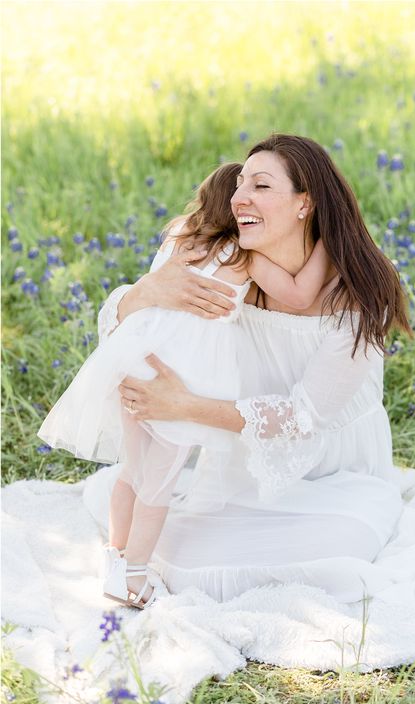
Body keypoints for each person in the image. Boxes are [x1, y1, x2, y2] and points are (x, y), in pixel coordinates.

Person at [90, 134, 415, 608]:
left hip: (332, 468)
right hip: (240, 459)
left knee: (337, 546)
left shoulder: (352, 290)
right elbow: (123, 327)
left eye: (261, 185)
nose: (240, 196)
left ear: (303, 203)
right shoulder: (233, 267)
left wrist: (183, 405)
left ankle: (131, 560)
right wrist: (145, 291)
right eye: (239, 183)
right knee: (177, 541)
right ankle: (126, 562)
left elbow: (304, 417)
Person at [37, 159, 332, 609]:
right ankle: (133, 575)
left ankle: (115, 556)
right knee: (160, 482)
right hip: (185, 376)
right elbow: (297, 295)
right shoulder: (242, 254)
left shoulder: (179, 235)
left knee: (131, 473)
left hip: (137, 360)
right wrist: (327, 247)